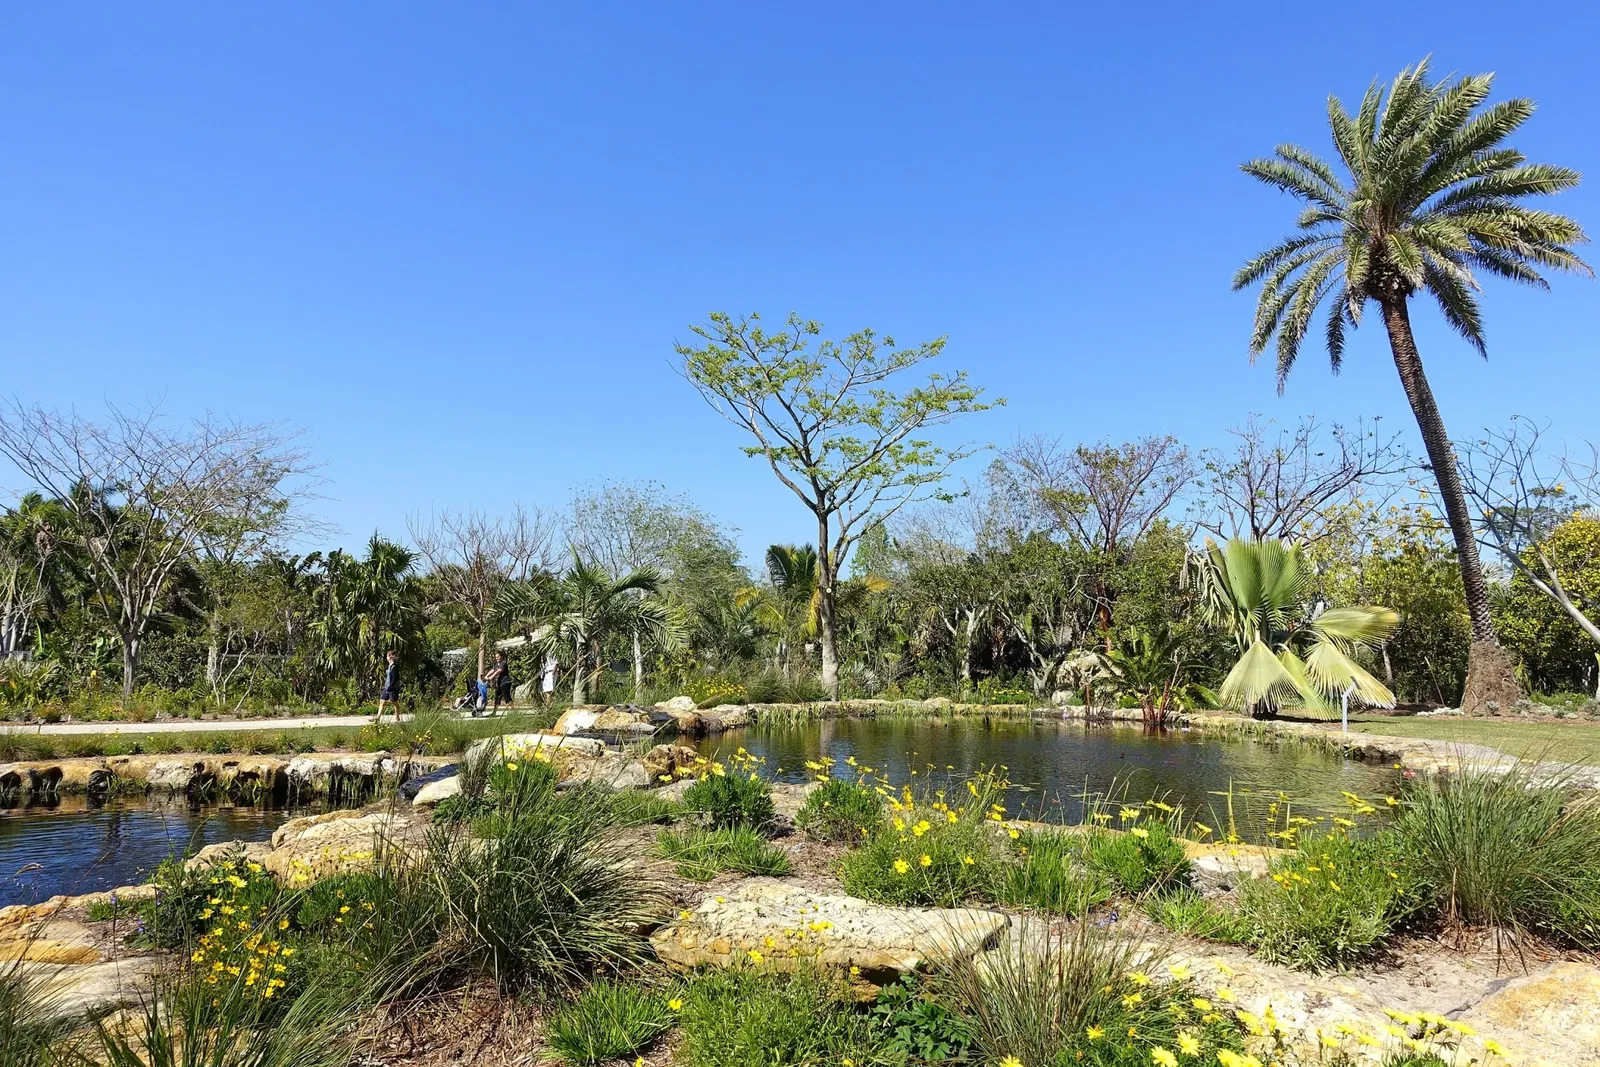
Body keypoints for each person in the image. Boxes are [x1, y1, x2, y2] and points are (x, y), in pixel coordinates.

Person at [375, 650, 401, 724]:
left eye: (387, 656)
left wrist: (391, 686)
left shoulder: (395, 666)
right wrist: (386, 685)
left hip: (393, 687)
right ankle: (378, 717)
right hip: (387, 686)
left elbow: (394, 678)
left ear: (389, 657)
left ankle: (397, 717)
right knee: (382, 701)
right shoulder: (388, 666)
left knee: (394, 702)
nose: (386, 658)